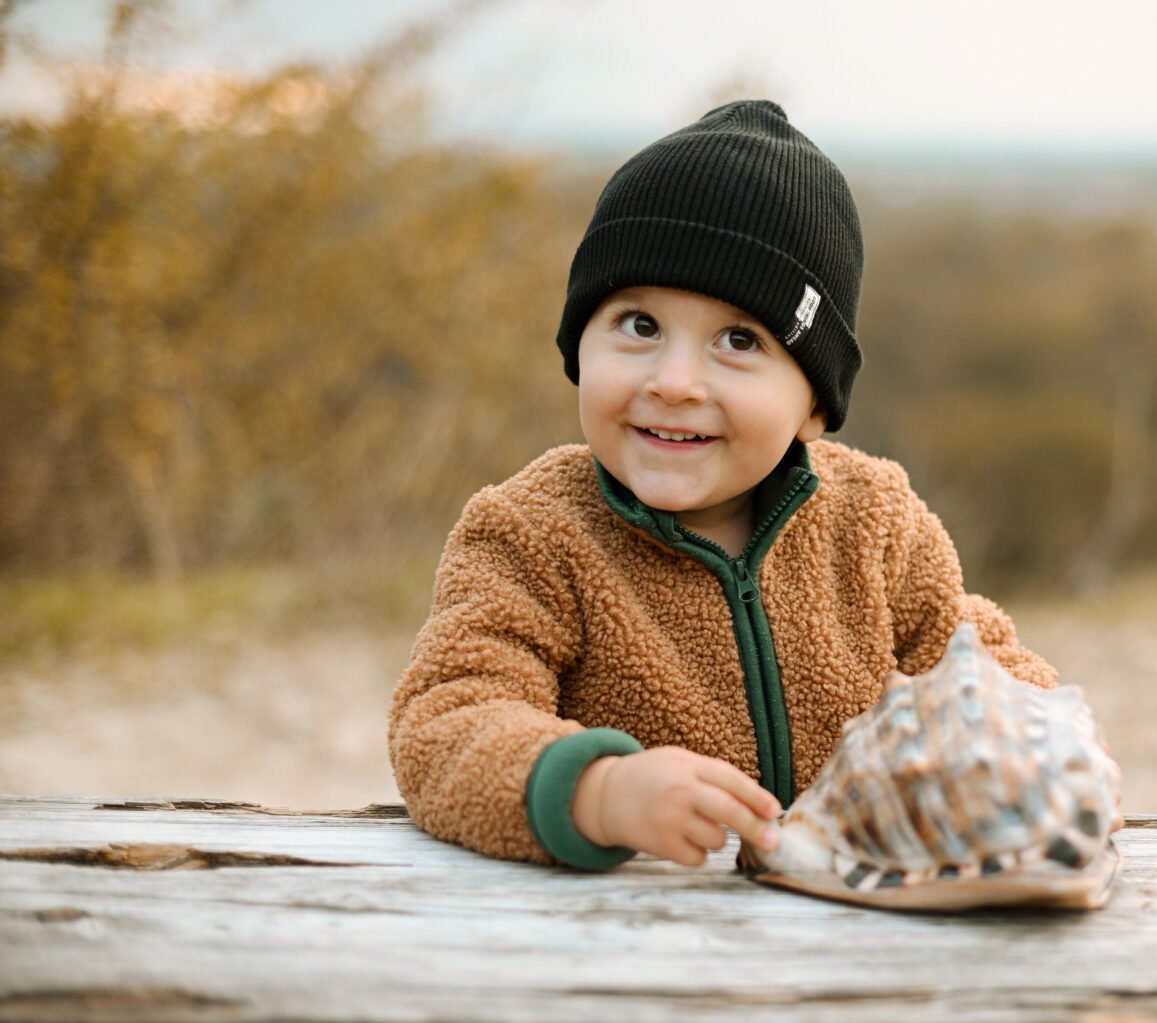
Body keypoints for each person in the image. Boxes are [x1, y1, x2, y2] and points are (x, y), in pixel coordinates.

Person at [388, 100, 1058, 872]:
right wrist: (599, 792)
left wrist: (1037, 741)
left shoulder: (875, 525)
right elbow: (446, 720)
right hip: (623, 949)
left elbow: (979, 673)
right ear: (580, 345)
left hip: (851, 940)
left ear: (813, 403)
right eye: (639, 325)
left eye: (739, 340)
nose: (674, 381)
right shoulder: (530, 532)